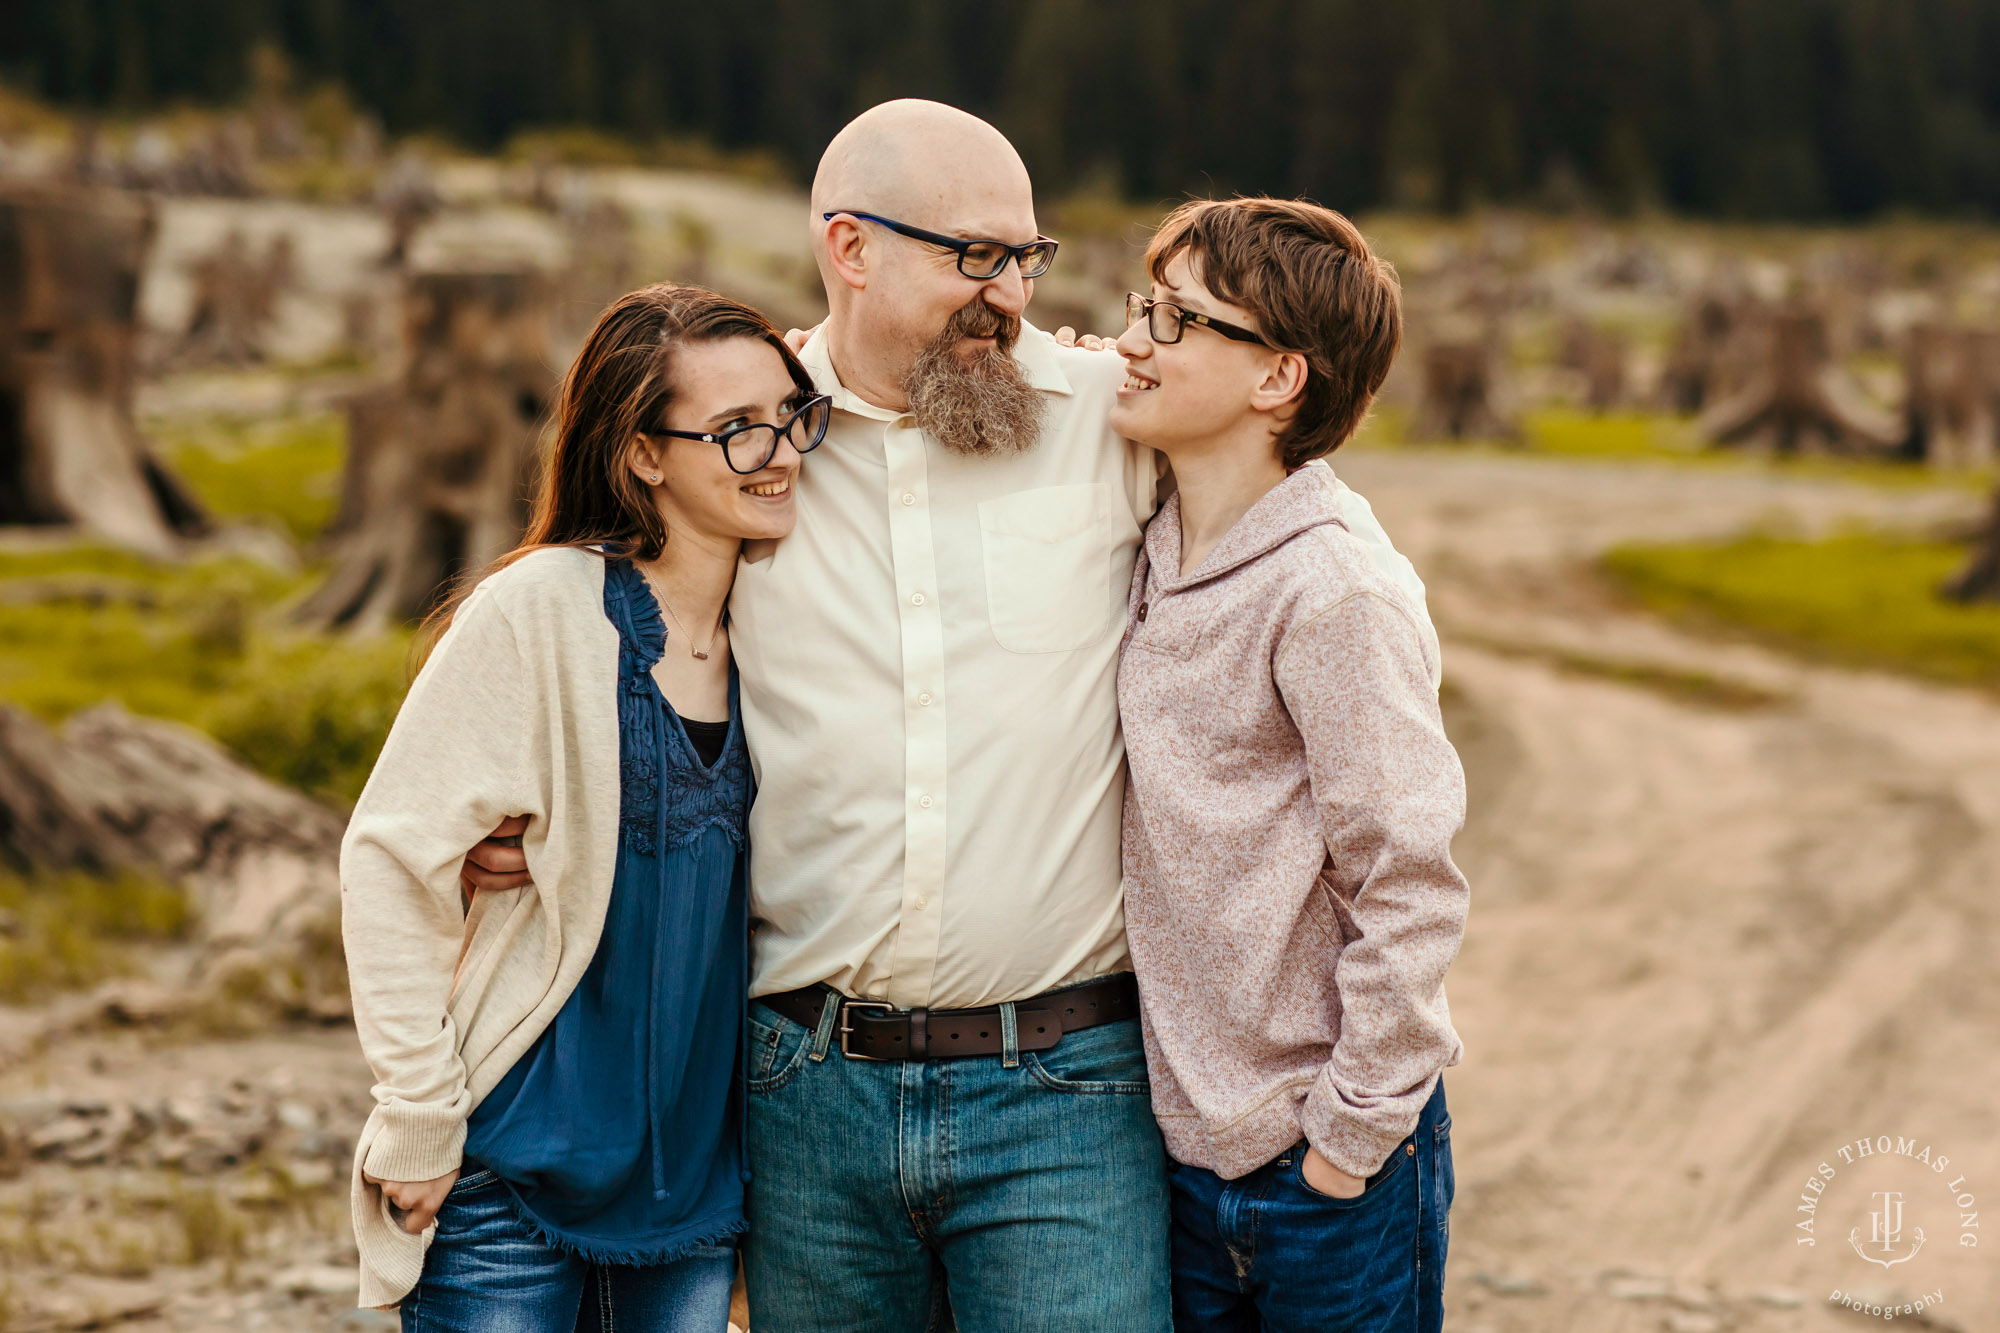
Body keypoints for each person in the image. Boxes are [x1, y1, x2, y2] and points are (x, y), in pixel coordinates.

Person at [464, 100, 1438, 1332]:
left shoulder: (1108, 414)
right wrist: (536, 817)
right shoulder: (745, 446)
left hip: (1066, 1095)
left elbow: (1281, 483)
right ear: (849, 247)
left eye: (1024, 258)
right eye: (971, 256)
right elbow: (621, 637)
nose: (1008, 294)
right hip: (806, 1088)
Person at [340, 284, 829, 1331]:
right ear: (644, 454)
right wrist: (418, 1114)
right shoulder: (543, 610)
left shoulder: (793, 628)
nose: (780, 452)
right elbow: (390, 859)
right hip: (513, 1170)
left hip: (695, 1194)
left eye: (790, 416)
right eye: (734, 431)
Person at [1111, 197, 1468, 1332]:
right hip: (1177, 1157)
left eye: (1175, 320)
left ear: (1276, 380)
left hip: (1323, 1172)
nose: (1132, 340)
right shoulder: (1151, 539)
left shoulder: (1334, 592)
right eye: (1140, 305)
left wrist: (1347, 1140)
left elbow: (1408, 881)